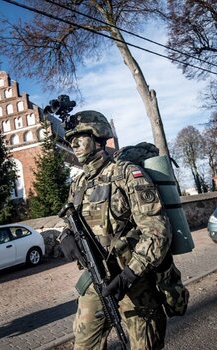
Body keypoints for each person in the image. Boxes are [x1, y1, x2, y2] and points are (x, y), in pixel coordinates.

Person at [59, 110, 172, 350]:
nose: (74, 143)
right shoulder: (79, 184)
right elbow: (70, 222)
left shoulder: (127, 174)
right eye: (71, 139)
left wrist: (129, 276)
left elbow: (157, 232)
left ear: (98, 136)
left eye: (80, 136)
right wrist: (65, 236)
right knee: (84, 345)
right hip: (96, 279)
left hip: (134, 279)